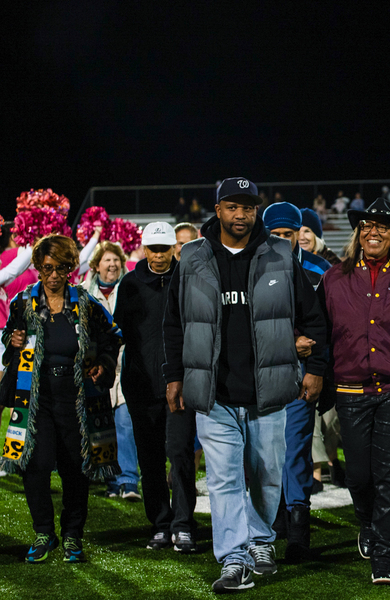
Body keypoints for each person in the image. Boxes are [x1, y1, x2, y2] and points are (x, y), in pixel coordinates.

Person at [163, 177, 326, 594]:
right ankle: (234, 558)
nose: (241, 215)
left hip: (268, 391)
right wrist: (175, 376)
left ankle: (261, 539)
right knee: (223, 479)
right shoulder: (193, 257)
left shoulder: (280, 252)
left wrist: (316, 367)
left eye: (248, 207)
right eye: (232, 207)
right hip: (214, 392)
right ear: (217, 210)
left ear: (256, 211)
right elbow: (174, 324)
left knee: (267, 474)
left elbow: (312, 315)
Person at [318, 198, 390, 585]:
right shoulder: (334, 278)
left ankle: (384, 555)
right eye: (367, 226)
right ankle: (366, 522)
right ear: (358, 234)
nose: (374, 232)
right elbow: (319, 330)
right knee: (360, 476)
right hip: (350, 390)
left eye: (383, 226)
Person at [0, 234, 122, 563]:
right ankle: (44, 533)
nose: (54, 275)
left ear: (71, 268)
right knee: (34, 466)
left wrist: (104, 363)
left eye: (62, 268)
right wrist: (13, 341)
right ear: (38, 267)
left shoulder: (85, 302)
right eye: (48, 268)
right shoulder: (23, 302)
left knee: (76, 468)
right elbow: (7, 343)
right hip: (35, 399)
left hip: (78, 399)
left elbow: (114, 335)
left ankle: (72, 535)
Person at [114, 222, 197, 553]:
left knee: (179, 453)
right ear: (144, 249)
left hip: (181, 383)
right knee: (149, 458)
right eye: (154, 248)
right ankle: (161, 525)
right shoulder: (130, 284)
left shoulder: (187, 278)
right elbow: (120, 331)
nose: (160, 255)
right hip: (141, 384)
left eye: (165, 248)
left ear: (173, 248)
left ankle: (183, 524)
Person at [262, 201, 331, 559]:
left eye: (288, 234)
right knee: (266, 450)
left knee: (296, 449)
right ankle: (276, 522)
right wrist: (288, 343)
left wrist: (317, 368)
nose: (283, 240)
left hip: (302, 375)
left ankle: (298, 531)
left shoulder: (320, 270)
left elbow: (325, 326)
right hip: (261, 374)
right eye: (275, 234)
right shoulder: (250, 267)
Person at [82, 241, 141, 501]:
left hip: (126, 365)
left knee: (125, 424)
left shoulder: (130, 290)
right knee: (101, 426)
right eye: (107, 260)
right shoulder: (84, 293)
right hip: (98, 369)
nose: (113, 264)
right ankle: (110, 479)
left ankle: (129, 480)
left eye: (116, 260)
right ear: (96, 266)